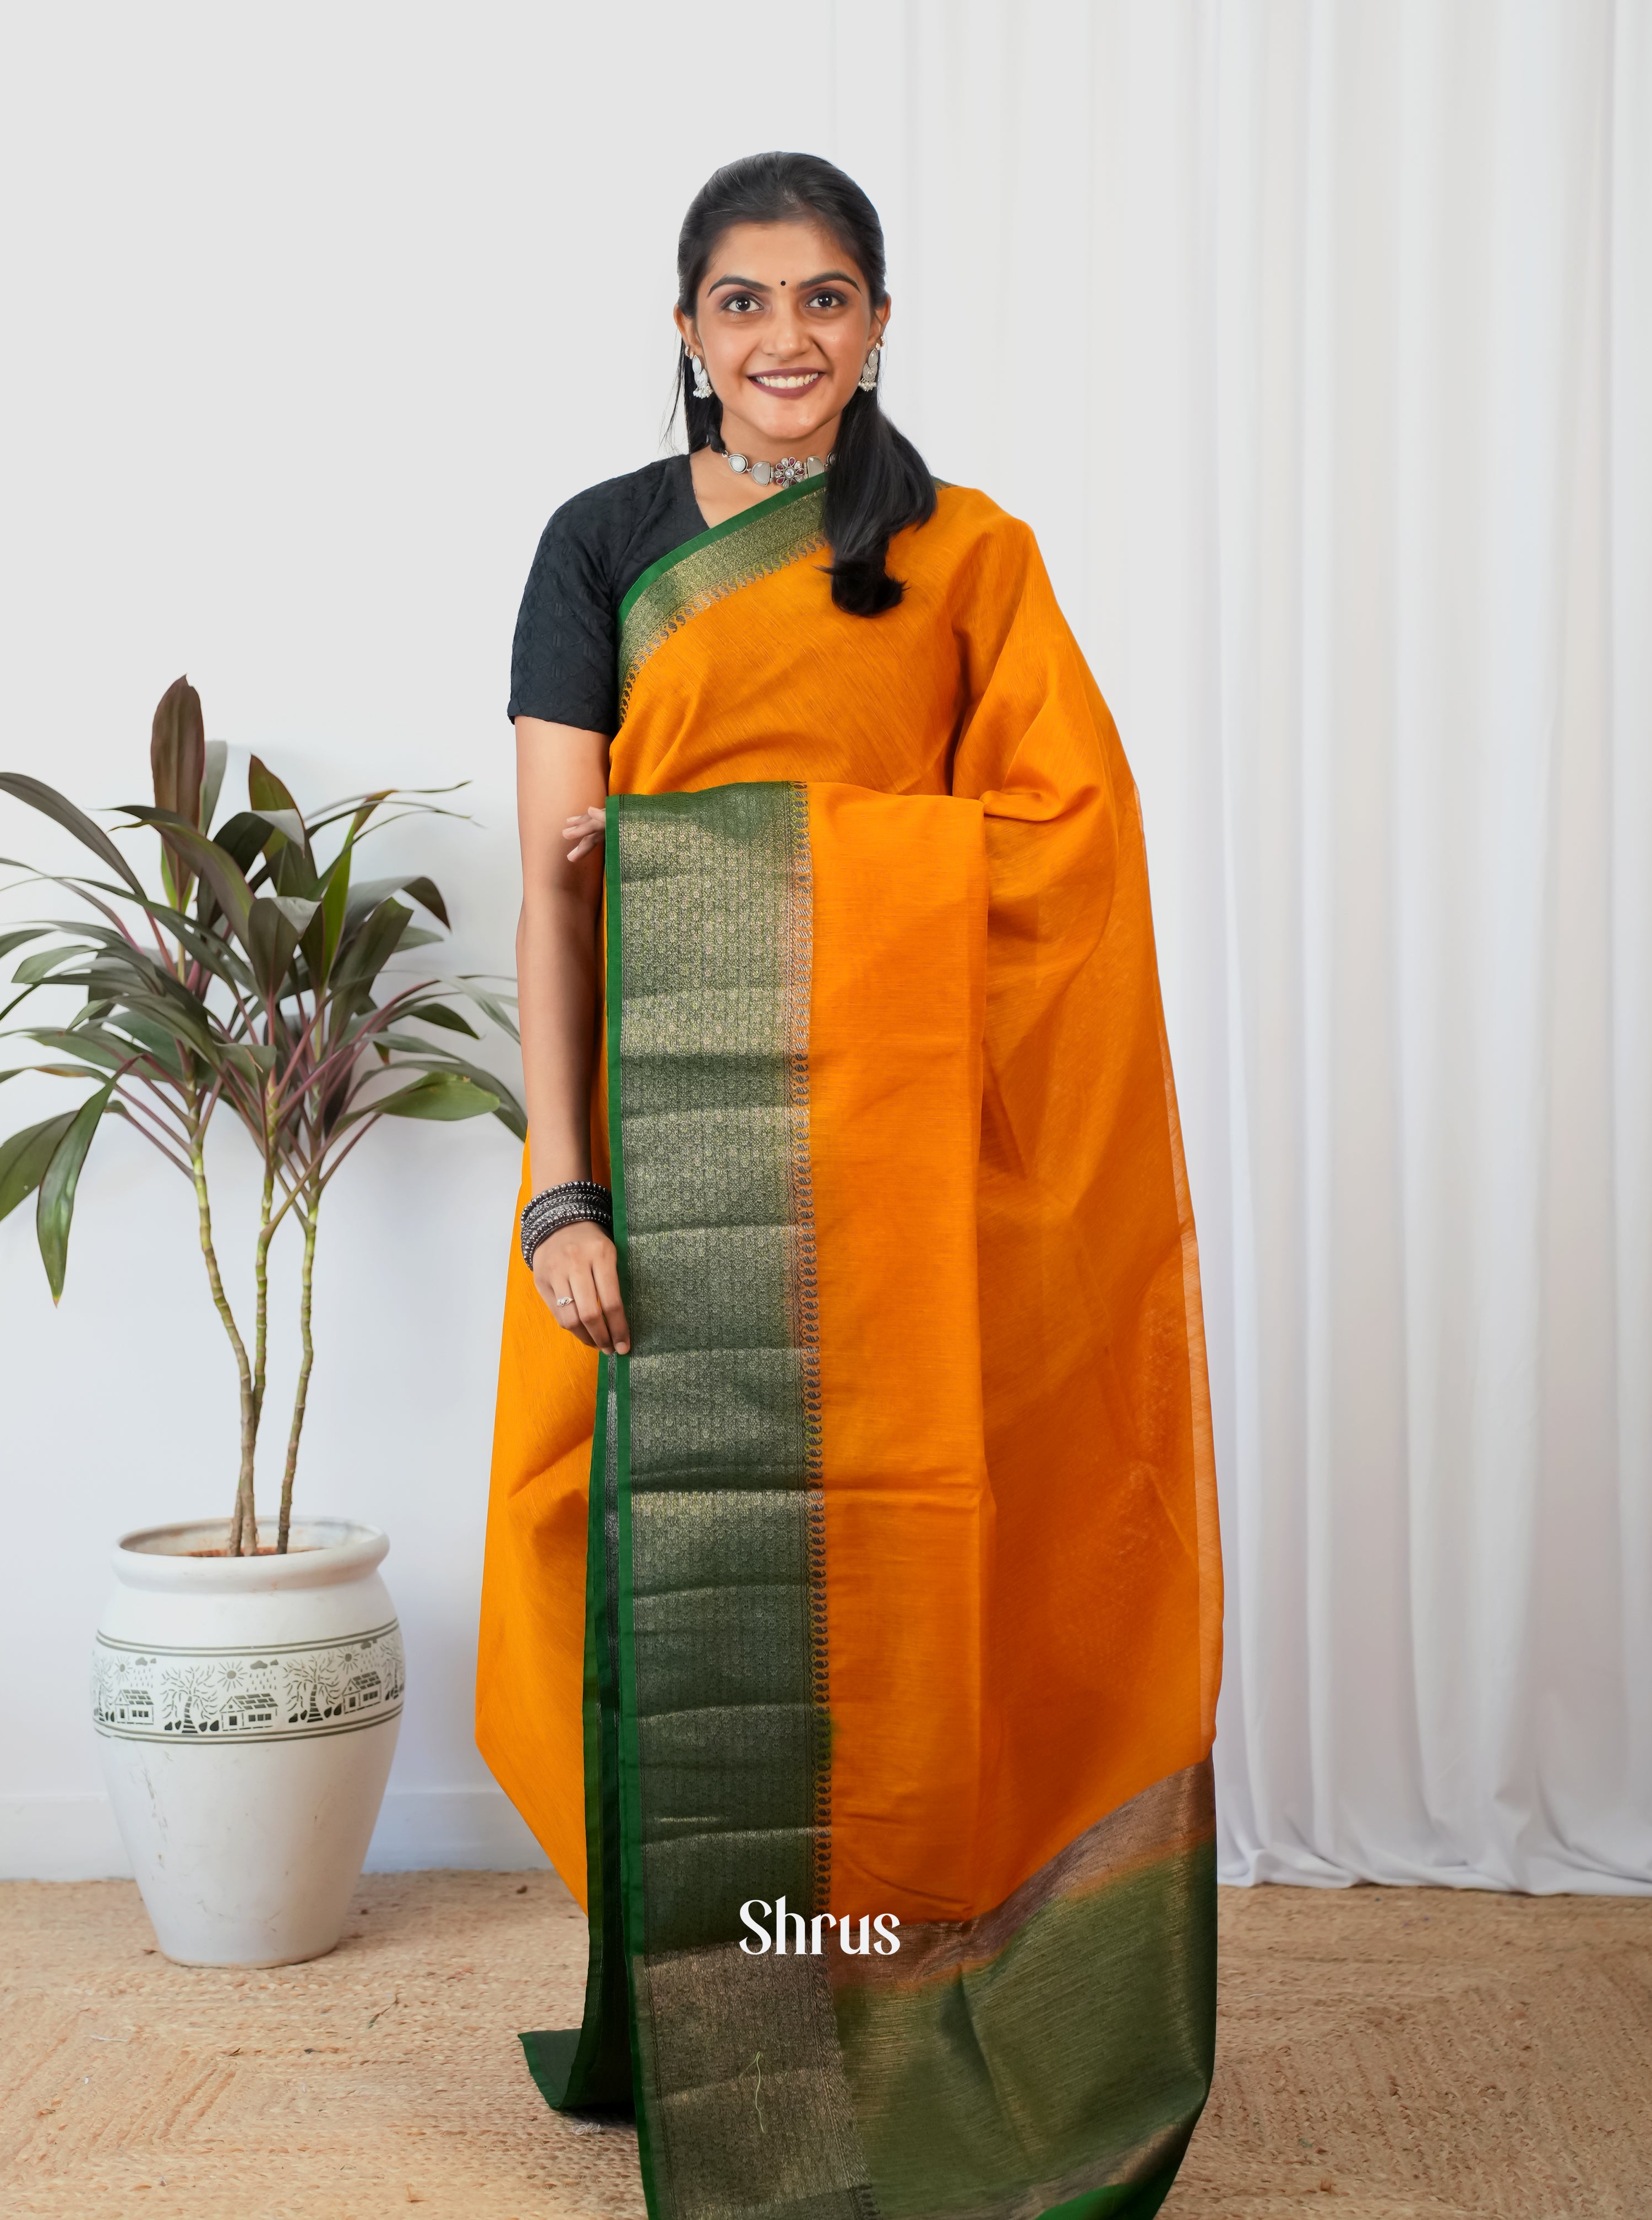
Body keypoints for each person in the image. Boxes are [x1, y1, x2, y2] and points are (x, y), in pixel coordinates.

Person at [477, 150, 1222, 2220]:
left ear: (880, 324)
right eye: (744, 300)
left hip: (906, 1193)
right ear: (687, 330)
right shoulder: (603, 545)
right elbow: (558, 896)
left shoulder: (968, 556)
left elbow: (1070, 849)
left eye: (824, 298)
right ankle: (722, 2026)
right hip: (660, 1168)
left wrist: (742, 864)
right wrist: (560, 1193)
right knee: (638, 1591)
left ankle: (906, 2016)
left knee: (912, 1595)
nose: (784, 337)